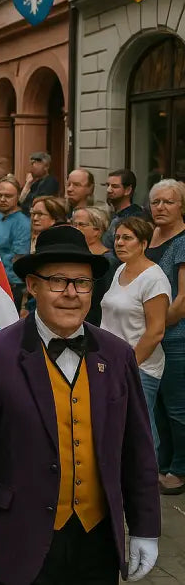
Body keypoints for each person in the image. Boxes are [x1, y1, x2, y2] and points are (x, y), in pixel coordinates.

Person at [0, 225, 161, 585]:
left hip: (97, 542)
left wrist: (146, 528)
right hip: (18, 537)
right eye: (58, 281)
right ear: (33, 286)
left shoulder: (118, 354)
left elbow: (138, 450)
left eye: (83, 283)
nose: (71, 294)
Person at [103, 216, 170, 451]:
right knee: (118, 426)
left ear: (144, 244)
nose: (119, 243)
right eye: (118, 238)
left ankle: (149, 481)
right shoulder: (121, 269)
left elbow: (156, 331)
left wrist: (129, 365)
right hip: (111, 362)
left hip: (139, 366)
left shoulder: (154, 279)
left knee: (142, 428)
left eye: (127, 238)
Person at [145, 179, 185, 495]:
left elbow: (182, 299)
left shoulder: (183, 242)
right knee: (156, 404)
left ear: (181, 206)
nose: (160, 207)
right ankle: (162, 461)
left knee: (176, 407)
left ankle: (180, 468)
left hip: (175, 336)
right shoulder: (150, 234)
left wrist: (157, 328)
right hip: (150, 334)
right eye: (156, 201)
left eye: (168, 202)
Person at [0, 177, 31, 310]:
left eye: (8, 196)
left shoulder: (22, 223)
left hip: (11, 285)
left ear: (18, 196)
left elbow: (18, 259)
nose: (2, 199)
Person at [72, 206, 116, 326]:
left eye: (82, 225)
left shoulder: (108, 261)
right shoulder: (74, 256)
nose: (76, 229)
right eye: (74, 224)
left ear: (97, 230)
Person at [102, 169, 147, 249]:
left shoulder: (135, 218)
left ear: (128, 190)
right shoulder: (112, 215)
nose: (108, 190)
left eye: (115, 186)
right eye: (107, 185)